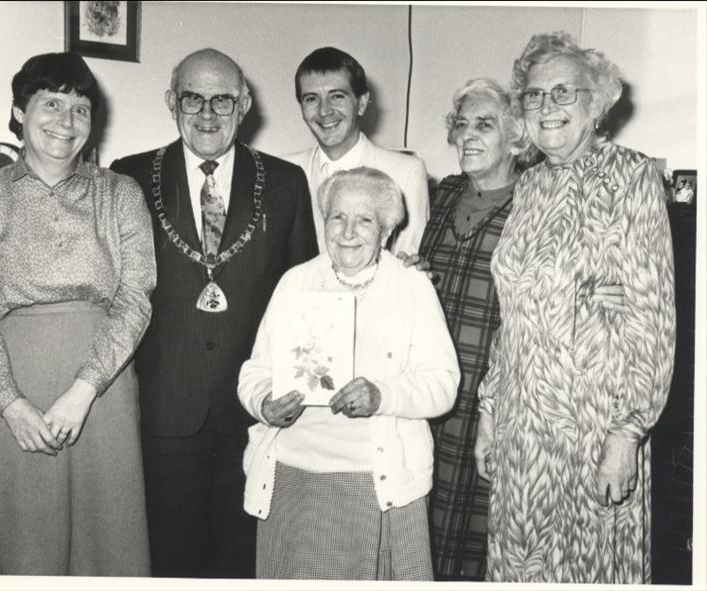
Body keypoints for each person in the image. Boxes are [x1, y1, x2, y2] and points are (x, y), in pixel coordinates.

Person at [0, 52, 155, 575]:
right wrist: (11, 405)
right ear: (19, 112)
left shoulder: (120, 194)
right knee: (18, 543)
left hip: (101, 391)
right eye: (51, 103)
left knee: (106, 541)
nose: (66, 120)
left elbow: (135, 298)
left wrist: (84, 391)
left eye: (81, 108)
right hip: (7, 390)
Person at [110, 48, 318, 578]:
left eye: (222, 99)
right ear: (170, 103)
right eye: (193, 99)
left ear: (244, 103)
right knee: (171, 559)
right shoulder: (129, 177)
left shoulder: (287, 181)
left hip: (253, 412)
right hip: (165, 410)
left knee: (242, 561)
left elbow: (306, 299)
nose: (207, 114)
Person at [476, 32, 675, 583]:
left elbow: (652, 317)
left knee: (587, 569)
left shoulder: (632, 177)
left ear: (597, 101)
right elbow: (512, 308)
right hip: (522, 426)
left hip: (592, 426)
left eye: (564, 92)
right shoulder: (530, 184)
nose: (548, 106)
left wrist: (627, 434)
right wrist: (490, 412)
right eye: (535, 96)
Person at [238, 167, 460, 580]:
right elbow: (254, 372)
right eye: (338, 217)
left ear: (387, 231)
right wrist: (265, 403)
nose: (348, 231)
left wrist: (382, 395)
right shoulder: (296, 281)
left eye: (365, 220)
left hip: (376, 483)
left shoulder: (411, 288)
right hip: (294, 477)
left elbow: (443, 386)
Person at [420, 78, 534, 581]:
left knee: (477, 521)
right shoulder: (443, 193)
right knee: (423, 510)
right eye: (461, 124)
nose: (467, 135)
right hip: (432, 379)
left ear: (515, 138)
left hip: (493, 389)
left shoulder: (536, 202)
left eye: (484, 125)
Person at [285, 46, 429, 255]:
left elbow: (407, 262)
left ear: (361, 103)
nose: (324, 110)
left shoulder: (406, 172)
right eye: (311, 98)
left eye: (337, 96)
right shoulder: (283, 172)